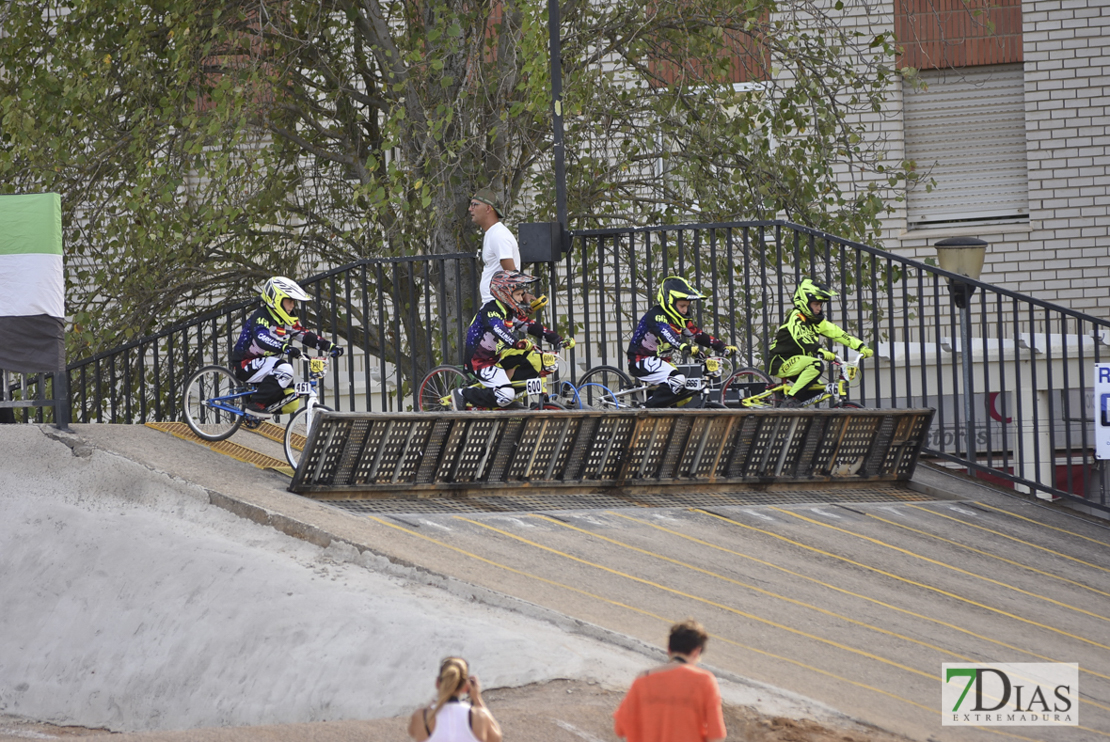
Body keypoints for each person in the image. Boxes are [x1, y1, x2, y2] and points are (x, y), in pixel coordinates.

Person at [453, 270, 572, 410]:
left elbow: (530, 326)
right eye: (518, 295)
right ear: (504, 293)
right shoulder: (490, 310)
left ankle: (511, 394)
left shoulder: (510, 312)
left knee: (535, 358)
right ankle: (463, 394)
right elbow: (497, 329)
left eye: (522, 294)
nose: (522, 299)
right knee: (505, 395)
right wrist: (517, 343)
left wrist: (558, 339)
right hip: (481, 362)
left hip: (499, 357)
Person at [230, 276, 342, 417]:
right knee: (286, 369)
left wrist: (330, 346)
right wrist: (285, 348)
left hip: (267, 366)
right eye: (289, 301)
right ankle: (255, 405)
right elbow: (261, 338)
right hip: (246, 364)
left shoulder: (286, 320)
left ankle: (257, 410)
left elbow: (305, 335)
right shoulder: (262, 316)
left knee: (291, 402)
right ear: (276, 299)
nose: (293, 305)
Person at [626, 276, 737, 408]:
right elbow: (667, 334)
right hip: (641, 360)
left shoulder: (680, 320)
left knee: (685, 394)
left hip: (661, 362)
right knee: (678, 380)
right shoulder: (656, 315)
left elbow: (698, 335)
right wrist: (685, 347)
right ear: (669, 301)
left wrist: (723, 347)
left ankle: (662, 414)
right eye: (682, 306)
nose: (685, 310)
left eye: (687, 306)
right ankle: (646, 409)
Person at [614, 618, 726, 742]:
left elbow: (621, 728)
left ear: (669, 649)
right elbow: (717, 735)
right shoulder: (704, 681)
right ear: (697, 651)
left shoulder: (643, 680)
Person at [767, 278, 873, 408]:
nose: (819, 308)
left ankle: (794, 410)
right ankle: (790, 401)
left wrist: (860, 346)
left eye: (820, 305)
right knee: (816, 364)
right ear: (805, 302)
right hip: (781, 361)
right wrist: (820, 350)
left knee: (817, 390)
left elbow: (838, 333)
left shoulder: (817, 321)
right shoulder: (796, 317)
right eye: (816, 304)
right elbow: (803, 337)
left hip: (799, 364)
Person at [408, 656, 502, 742]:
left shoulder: (421, 717)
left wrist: (436, 697)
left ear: (437, 683)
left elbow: (412, 732)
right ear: (466, 686)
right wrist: (476, 698)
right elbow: (497, 738)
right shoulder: (479, 716)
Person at [469, 187, 521, 306]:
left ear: (488, 208)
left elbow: (511, 272)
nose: (470, 209)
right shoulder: (492, 233)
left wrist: (521, 295)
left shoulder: (498, 235)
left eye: (474, 205)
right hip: (493, 304)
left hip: (498, 306)